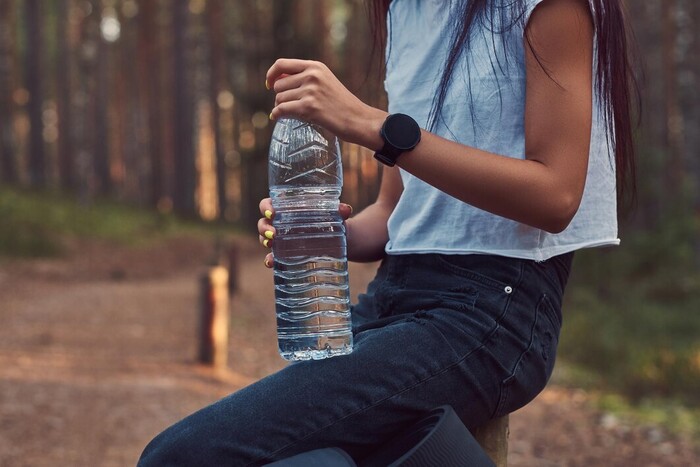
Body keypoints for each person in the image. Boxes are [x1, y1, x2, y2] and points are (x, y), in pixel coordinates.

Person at [138, 0, 637, 465]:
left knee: (178, 456)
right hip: (393, 295)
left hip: (493, 311)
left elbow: (556, 197)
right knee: (305, 458)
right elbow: (391, 213)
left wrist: (371, 124)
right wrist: (329, 234)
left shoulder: (548, 7)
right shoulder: (407, 10)